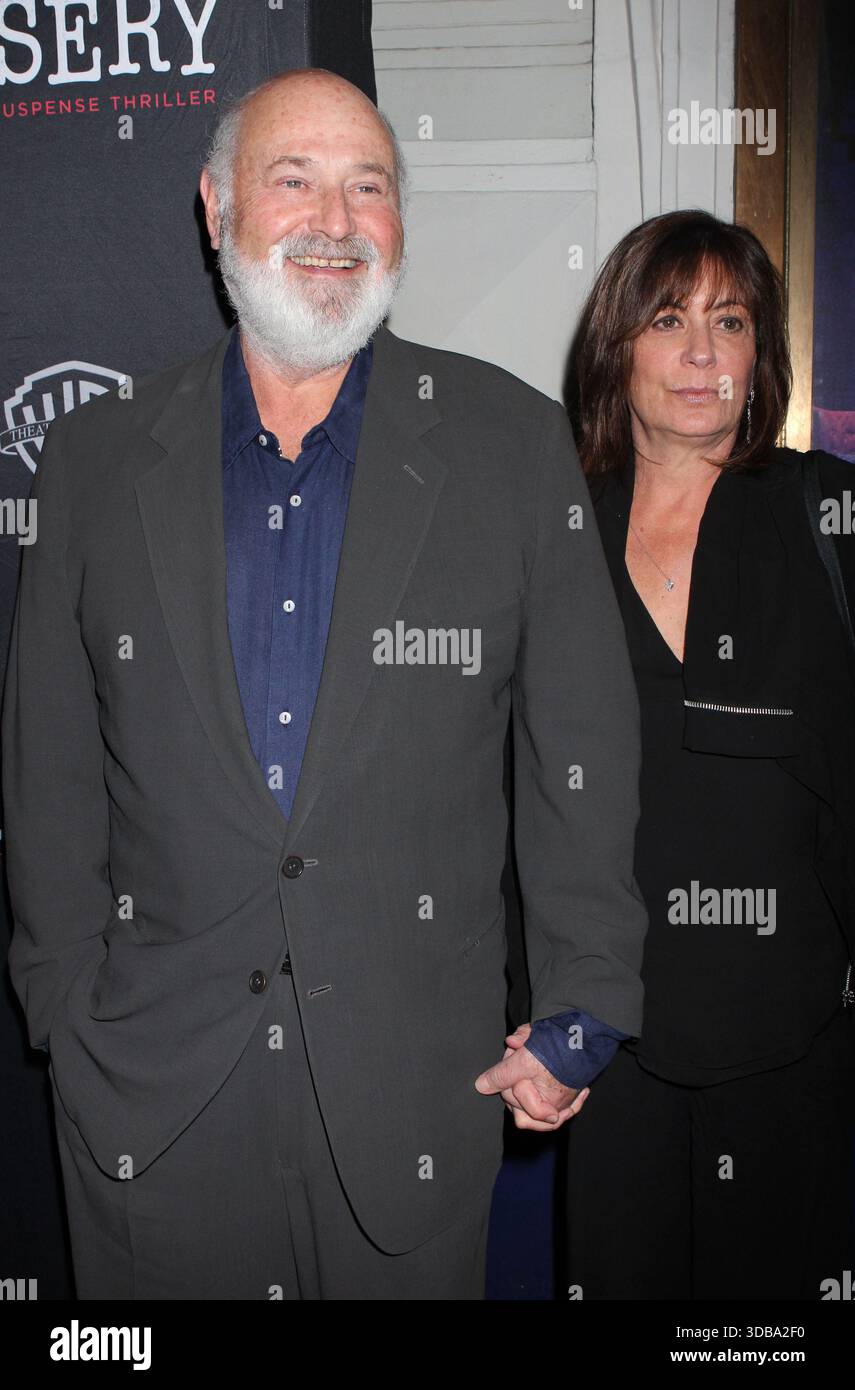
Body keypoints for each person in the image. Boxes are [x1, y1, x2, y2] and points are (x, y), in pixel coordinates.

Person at [1, 68, 647, 1300]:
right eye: (291, 180)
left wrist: (582, 1002)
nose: (336, 221)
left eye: (370, 187)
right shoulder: (92, 458)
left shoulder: (512, 446)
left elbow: (581, 754)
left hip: (415, 1099)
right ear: (215, 209)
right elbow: (47, 773)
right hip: (150, 1102)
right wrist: (64, 1014)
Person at [563, 208, 855, 1300]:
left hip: (794, 1035)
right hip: (610, 1038)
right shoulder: (553, 530)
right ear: (617, 345)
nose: (698, 351)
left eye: (728, 321)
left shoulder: (826, 515)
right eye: (669, 318)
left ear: (759, 354)